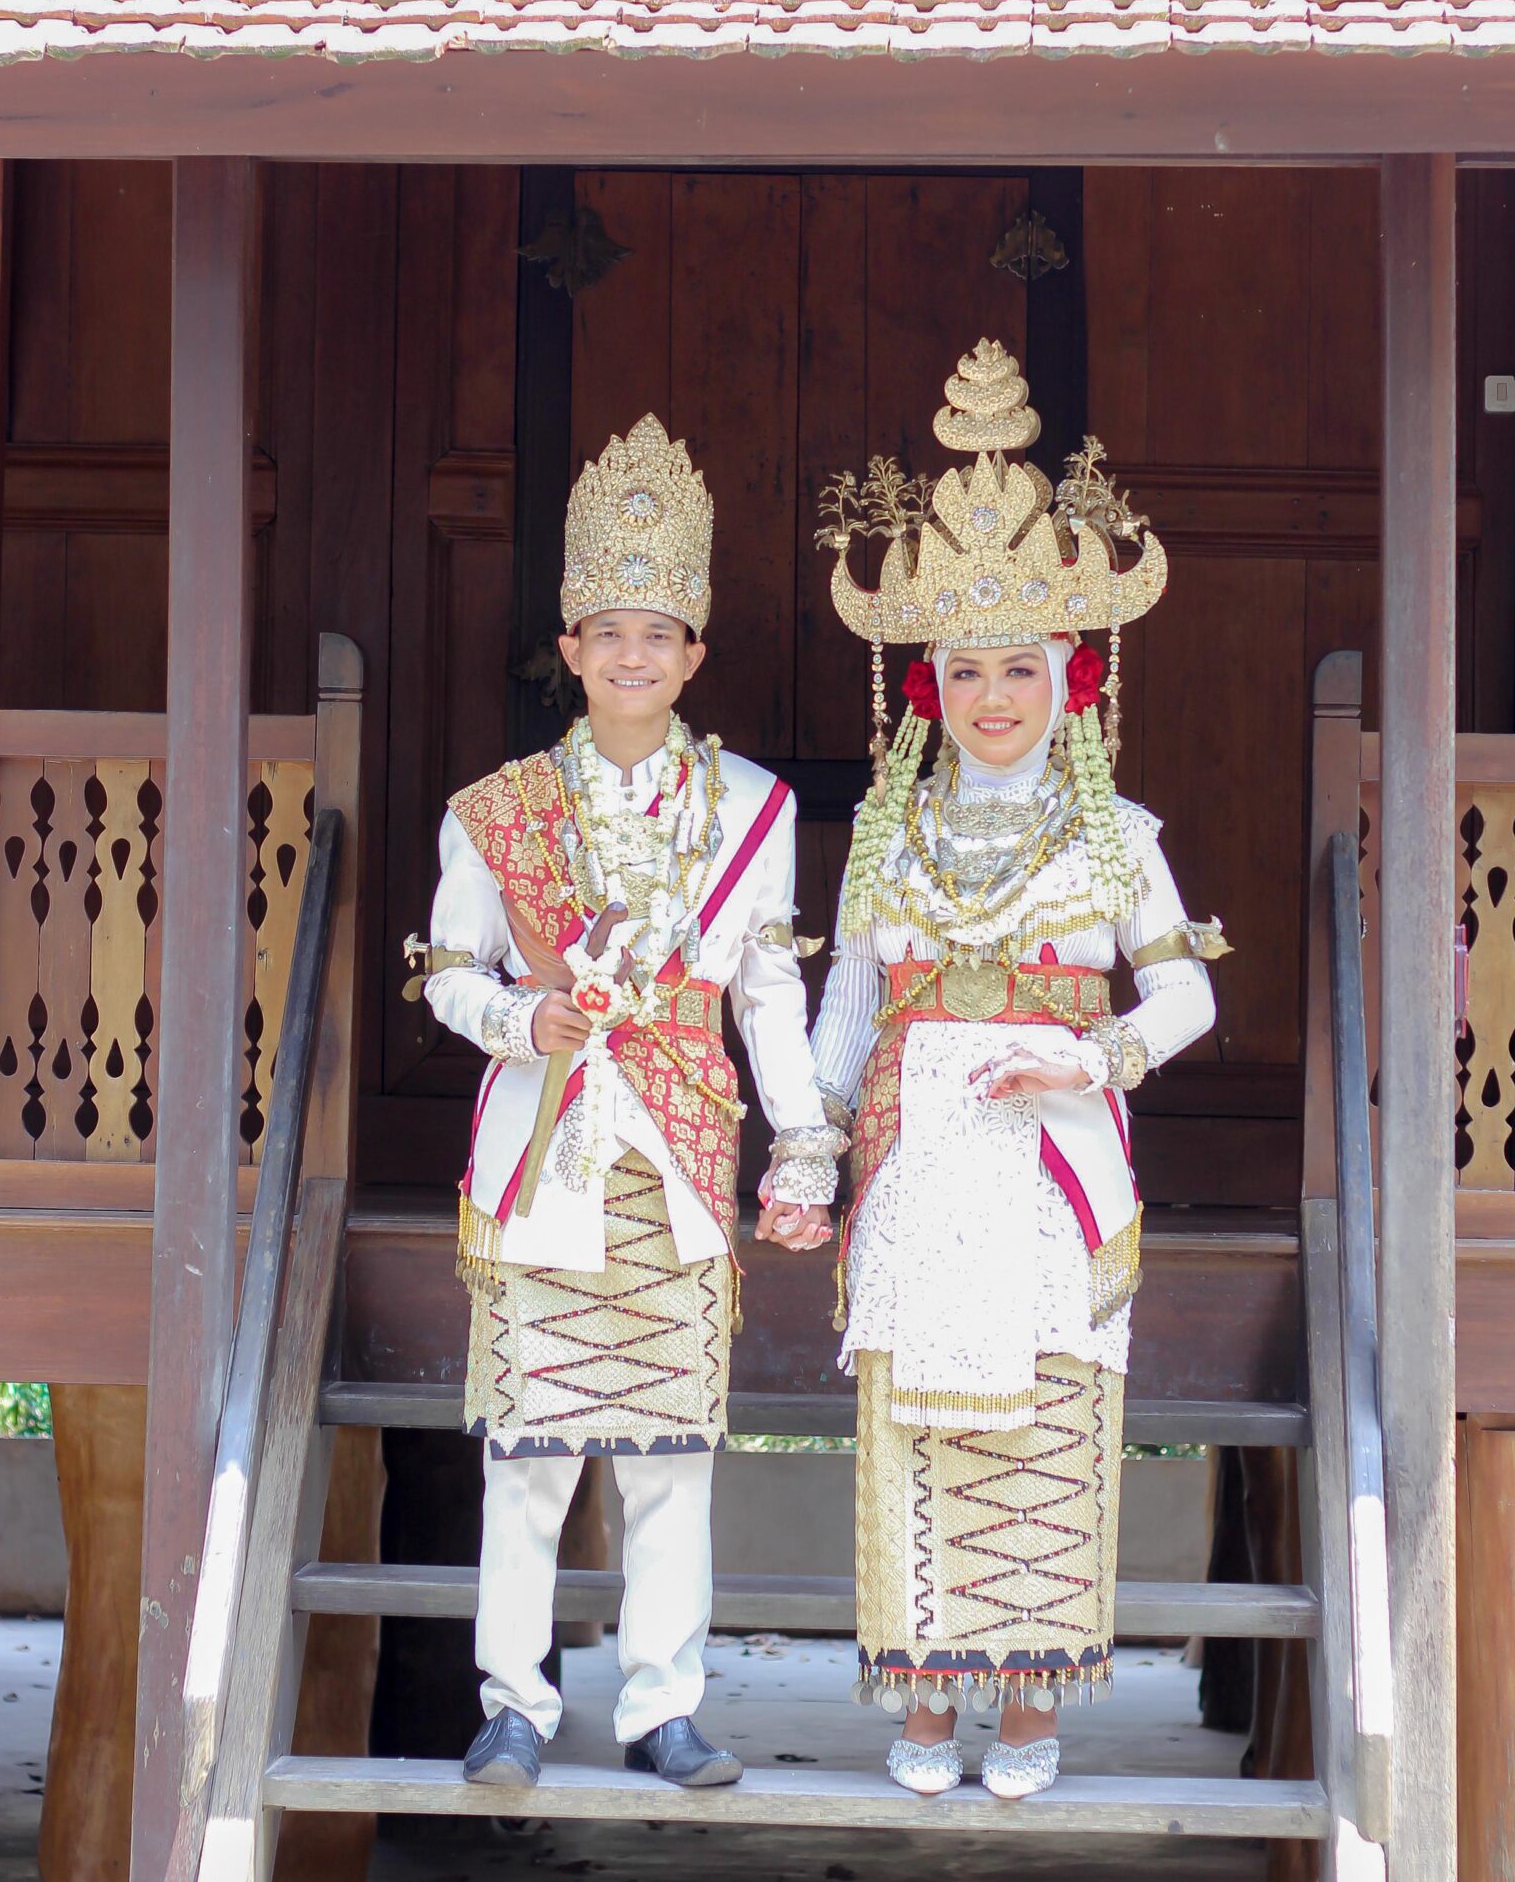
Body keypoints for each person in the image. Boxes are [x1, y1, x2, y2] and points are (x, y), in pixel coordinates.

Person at [811, 341, 1227, 1801]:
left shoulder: (1122, 837)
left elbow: (1186, 997)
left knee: (1046, 1408)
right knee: (917, 1413)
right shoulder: (884, 834)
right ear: (932, 684)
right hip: (919, 1155)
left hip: (1055, 1160)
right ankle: (927, 1702)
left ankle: (1034, 1704)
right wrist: (806, 1155)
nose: (995, 696)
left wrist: (1089, 1054)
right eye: (970, 670)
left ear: (1071, 677)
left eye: (1021, 669)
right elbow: (846, 1011)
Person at [422, 415, 839, 1793]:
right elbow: (450, 973)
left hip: (677, 1151)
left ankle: (664, 1707)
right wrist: (517, 1019)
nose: (634, 657)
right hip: (545, 1146)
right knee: (530, 1451)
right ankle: (514, 1705)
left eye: (658, 636)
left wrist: (803, 1138)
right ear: (573, 646)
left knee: (672, 1455)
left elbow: (766, 989)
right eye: (610, 634)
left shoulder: (753, 808)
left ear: (693, 654)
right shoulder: (498, 811)